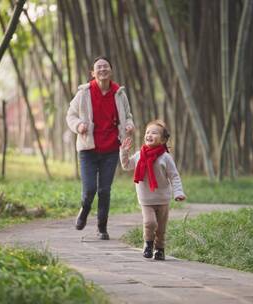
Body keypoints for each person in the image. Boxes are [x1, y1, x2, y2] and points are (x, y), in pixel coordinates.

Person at [66, 56, 134, 240]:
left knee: (104, 189)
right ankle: (85, 208)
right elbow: (71, 115)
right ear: (93, 73)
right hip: (88, 149)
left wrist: (129, 125)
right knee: (89, 189)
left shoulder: (119, 93)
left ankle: (102, 228)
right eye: (99, 67)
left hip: (111, 148)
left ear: (110, 70)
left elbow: (127, 115)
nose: (102, 69)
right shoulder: (84, 93)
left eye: (106, 66)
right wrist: (79, 125)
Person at [120, 119, 186, 260]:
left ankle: (160, 249)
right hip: (146, 199)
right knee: (150, 223)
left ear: (162, 140)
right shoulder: (139, 155)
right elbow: (126, 165)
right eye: (147, 132)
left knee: (161, 229)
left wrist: (178, 192)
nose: (149, 134)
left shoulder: (166, 157)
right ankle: (148, 244)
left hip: (163, 199)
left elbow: (174, 176)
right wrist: (124, 152)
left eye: (154, 133)